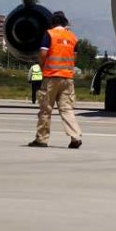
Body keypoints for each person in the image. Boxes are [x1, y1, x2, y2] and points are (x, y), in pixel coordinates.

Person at [28, 11, 82, 149]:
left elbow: (43, 53)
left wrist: (42, 65)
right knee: (67, 109)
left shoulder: (50, 34)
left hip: (51, 76)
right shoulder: (72, 37)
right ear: (65, 22)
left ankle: (42, 139)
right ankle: (75, 137)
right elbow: (75, 57)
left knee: (46, 109)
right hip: (67, 78)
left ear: (52, 23)